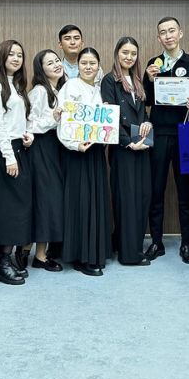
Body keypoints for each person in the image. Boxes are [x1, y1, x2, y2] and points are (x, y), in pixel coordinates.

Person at [142, 17, 189, 263]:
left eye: (172, 31)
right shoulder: (153, 64)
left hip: (186, 133)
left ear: (180, 33)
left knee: (185, 192)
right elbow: (146, 100)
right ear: (158, 38)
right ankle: (156, 242)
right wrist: (148, 80)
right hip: (158, 132)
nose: (168, 36)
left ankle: (186, 244)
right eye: (163, 32)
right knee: (155, 190)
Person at [58, 48, 112, 275]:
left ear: (99, 66)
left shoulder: (101, 90)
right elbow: (62, 122)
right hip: (76, 153)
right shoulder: (70, 87)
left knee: (96, 201)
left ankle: (95, 252)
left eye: (92, 63)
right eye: (84, 63)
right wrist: (74, 145)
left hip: (96, 153)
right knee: (79, 202)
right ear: (77, 66)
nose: (88, 67)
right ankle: (81, 257)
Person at [0, 40, 34, 285]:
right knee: (6, 208)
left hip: (19, 148)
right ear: (2, 57)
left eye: (20, 55)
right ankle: (1, 263)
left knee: (18, 207)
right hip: (5, 151)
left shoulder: (19, 85)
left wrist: (28, 135)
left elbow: (21, 118)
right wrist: (8, 156)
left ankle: (7, 258)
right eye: (11, 54)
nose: (16, 58)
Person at [101, 37, 152, 267]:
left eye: (133, 53)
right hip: (124, 149)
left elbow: (143, 114)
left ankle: (132, 246)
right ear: (117, 54)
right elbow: (110, 118)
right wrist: (128, 143)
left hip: (143, 146)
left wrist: (148, 123)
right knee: (127, 200)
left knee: (142, 197)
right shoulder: (109, 81)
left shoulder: (137, 80)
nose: (129, 57)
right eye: (125, 52)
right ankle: (129, 255)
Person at [26, 50, 67, 271]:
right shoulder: (40, 91)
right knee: (45, 200)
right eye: (50, 63)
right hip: (41, 148)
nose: (56, 65)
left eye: (57, 61)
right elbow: (29, 124)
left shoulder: (61, 89)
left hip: (56, 147)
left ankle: (32, 252)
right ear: (41, 69)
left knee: (50, 201)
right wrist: (53, 118)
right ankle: (38, 255)